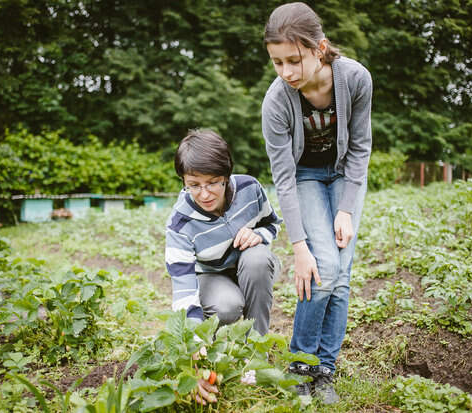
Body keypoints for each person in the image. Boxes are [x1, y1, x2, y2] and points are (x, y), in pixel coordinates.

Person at [261, 2, 372, 405]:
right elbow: (284, 178)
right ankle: (299, 365)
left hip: (344, 176)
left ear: (320, 48)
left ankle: (324, 369)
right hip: (304, 178)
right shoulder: (276, 102)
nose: (286, 72)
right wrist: (299, 246)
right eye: (277, 62)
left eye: (295, 60)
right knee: (322, 266)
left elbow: (360, 147)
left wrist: (346, 208)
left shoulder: (356, 79)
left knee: (340, 274)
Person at [165, 129, 282, 405]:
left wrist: (260, 235)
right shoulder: (180, 223)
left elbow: (272, 223)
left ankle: (255, 354)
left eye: (213, 183)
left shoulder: (250, 190)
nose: (204, 194)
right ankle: (214, 352)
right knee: (228, 306)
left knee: (257, 259)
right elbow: (183, 290)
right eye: (193, 184)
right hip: (211, 276)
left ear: (226, 176)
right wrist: (192, 350)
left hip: (251, 265)